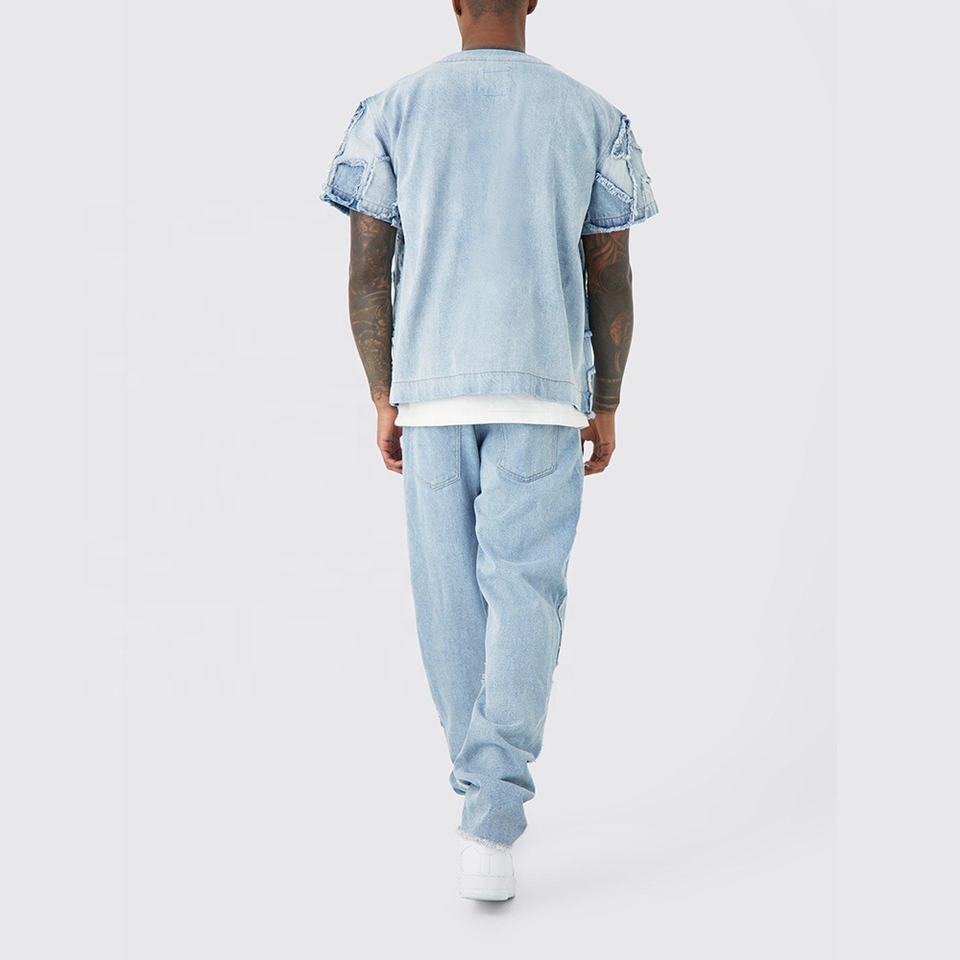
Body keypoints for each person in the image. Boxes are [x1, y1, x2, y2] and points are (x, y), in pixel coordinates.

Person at [321, 0, 657, 901]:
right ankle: (493, 812)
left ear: (453, 2)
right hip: (543, 390)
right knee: (527, 596)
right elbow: (611, 275)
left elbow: (367, 271)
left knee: (448, 600)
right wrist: (607, 400)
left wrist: (382, 392)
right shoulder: (592, 115)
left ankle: (480, 799)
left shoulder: (391, 110)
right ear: (534, 1)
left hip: (431, 389)